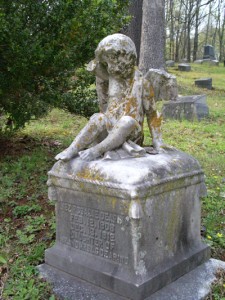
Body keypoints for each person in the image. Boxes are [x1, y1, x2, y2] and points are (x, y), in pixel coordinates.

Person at [55, 34, 169, 162]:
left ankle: (96, 150)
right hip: (110, 129)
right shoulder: (109, 80)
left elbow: (152, 115)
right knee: (97, 118)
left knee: (127, 121)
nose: (109, 66)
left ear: (124, 56)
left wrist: (158, 142)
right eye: (106, 62)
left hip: (131, 133)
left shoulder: (142, 83)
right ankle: (71, 149)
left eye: (111, 59)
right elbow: (103, 106)